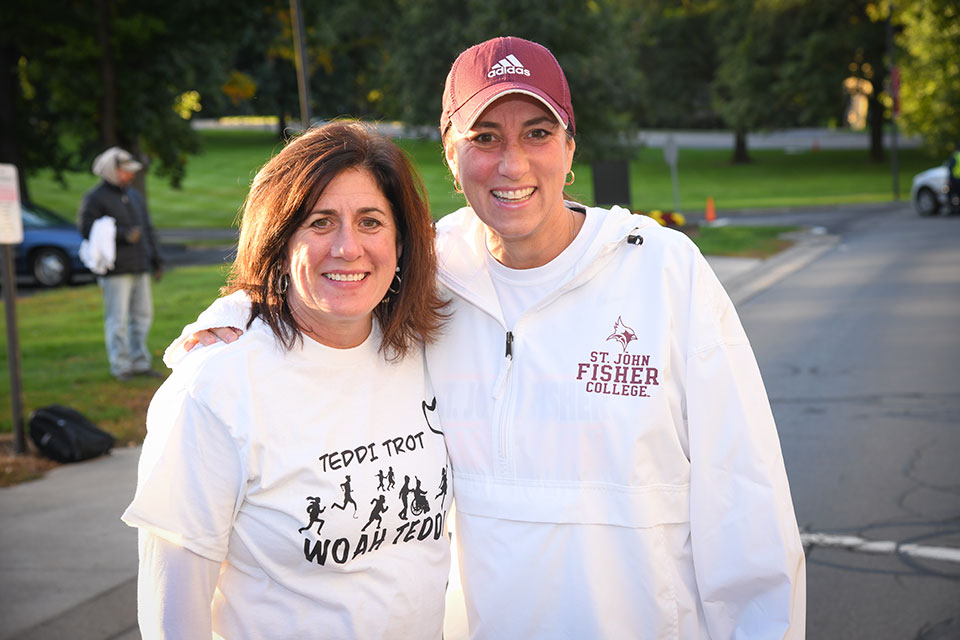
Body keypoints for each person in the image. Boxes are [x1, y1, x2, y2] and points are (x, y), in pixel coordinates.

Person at [170, 37, 805, 639]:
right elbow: (328, 290)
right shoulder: (425, 271)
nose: (513, 163)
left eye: (538, 133)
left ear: (570, 146)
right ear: (450, 153)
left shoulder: (665, 271)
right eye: (485, 136)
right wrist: (238, 315)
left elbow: (745, 496)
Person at [122, 122, 452, 638]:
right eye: (320, 222)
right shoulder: (217, 386)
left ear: (402, 240)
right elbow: (171, 610)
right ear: (278, 240)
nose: (348, 247)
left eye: (371, 221)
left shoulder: (425, 351)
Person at [78, 146, 164, 381]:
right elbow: (87, 229)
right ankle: (121, 366)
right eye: (125, 171)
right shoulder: (95, 198)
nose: (130, 175)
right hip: (116, 270)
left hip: (140, 266)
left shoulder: (134, 195)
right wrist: (122, 235)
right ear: (112, 171)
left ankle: (140, 363)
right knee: (118, 320)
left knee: (143, 316)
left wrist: (156, 259)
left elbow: (147, 228)